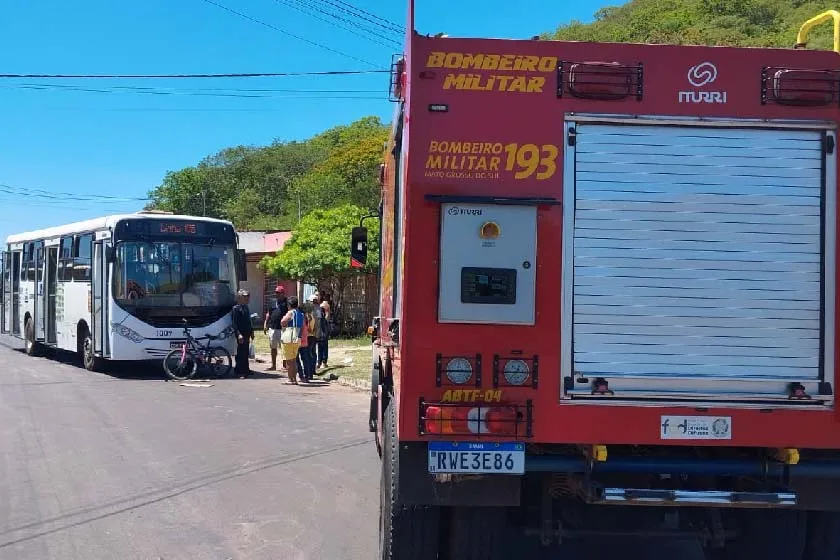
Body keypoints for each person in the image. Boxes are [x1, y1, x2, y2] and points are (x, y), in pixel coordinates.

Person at [280, 296, 304, 384]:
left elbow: (283, 321)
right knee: (293, 360)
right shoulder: (301, 314)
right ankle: (294, 379)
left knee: (289, 360)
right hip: (297, 337)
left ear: (289, 305)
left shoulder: (290, 313)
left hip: (289, 338)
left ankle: (290, 379)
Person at [232, 289, 255, 378]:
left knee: (245, 352)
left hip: (247, 333)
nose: (247, 298)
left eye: (248, 296)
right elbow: (234, 324)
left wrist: (252, 331)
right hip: (241, 334)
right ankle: (239, 371)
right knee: (240, 353)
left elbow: (248, 321)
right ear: (239, 297)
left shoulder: (246, 307)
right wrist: (238, 334)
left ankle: (246, 369)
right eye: (245, 296)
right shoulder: (236, 308)